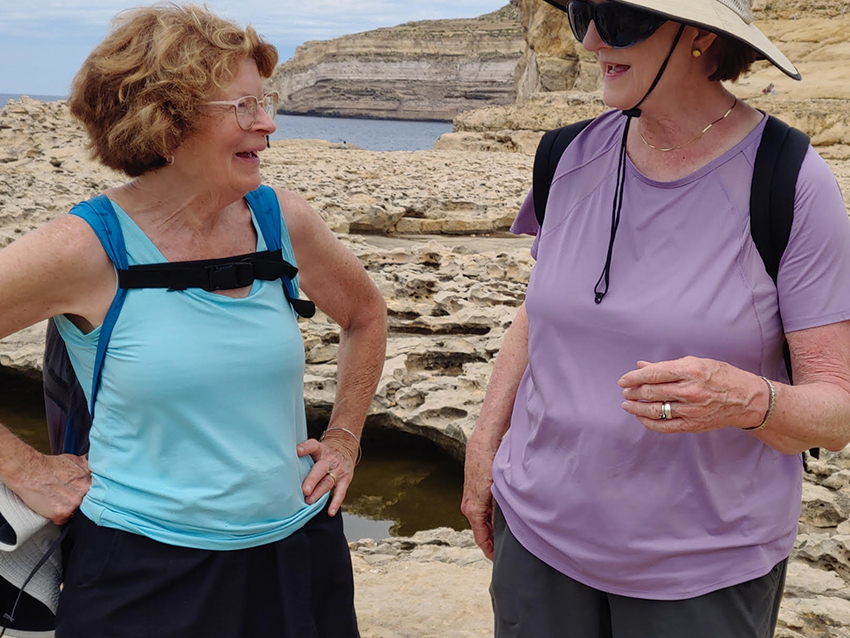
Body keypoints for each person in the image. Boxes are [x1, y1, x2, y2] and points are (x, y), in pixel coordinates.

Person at [461, 0, 850, 636]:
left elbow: (836, 414)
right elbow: (540, 315)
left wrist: (745, 399)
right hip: (536, 541)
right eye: (583, 12)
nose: (588, 41)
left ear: (700, 37)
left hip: (702, 571)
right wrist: (484, 444)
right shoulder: (565, 156)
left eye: (615, 20)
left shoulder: (789, 180)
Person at [0, 4, 386, 637]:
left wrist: (345, 438)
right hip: (143, 576)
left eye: (267, 101)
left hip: (297, 554)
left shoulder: (279, 221)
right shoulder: (86, 247)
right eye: (242, 108)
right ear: (164, 122)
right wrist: (24, 469)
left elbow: (366, 313)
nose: (268, 125)